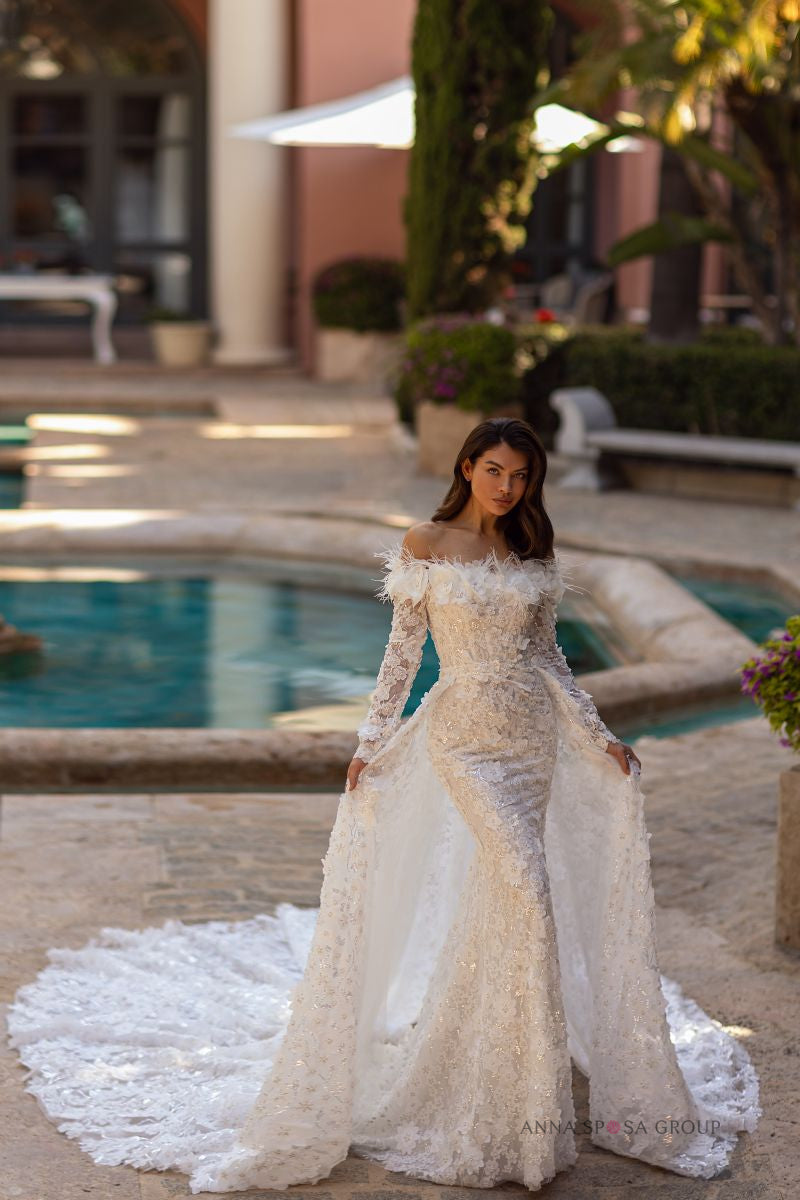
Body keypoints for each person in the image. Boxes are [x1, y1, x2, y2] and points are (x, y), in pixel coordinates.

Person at [6, 418, 760, 1194]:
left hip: (531, 742)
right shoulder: (427, 544)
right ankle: (496, 1091)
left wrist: (597, 733)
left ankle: (496, 1064)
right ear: (468, 467)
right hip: (463, 741)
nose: (508, 488)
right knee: (528, 891)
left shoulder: (529, 551)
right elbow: (403, 654)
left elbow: (548, 656)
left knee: (504, 903)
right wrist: (371, 741)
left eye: (522, 477)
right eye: (495, 471)